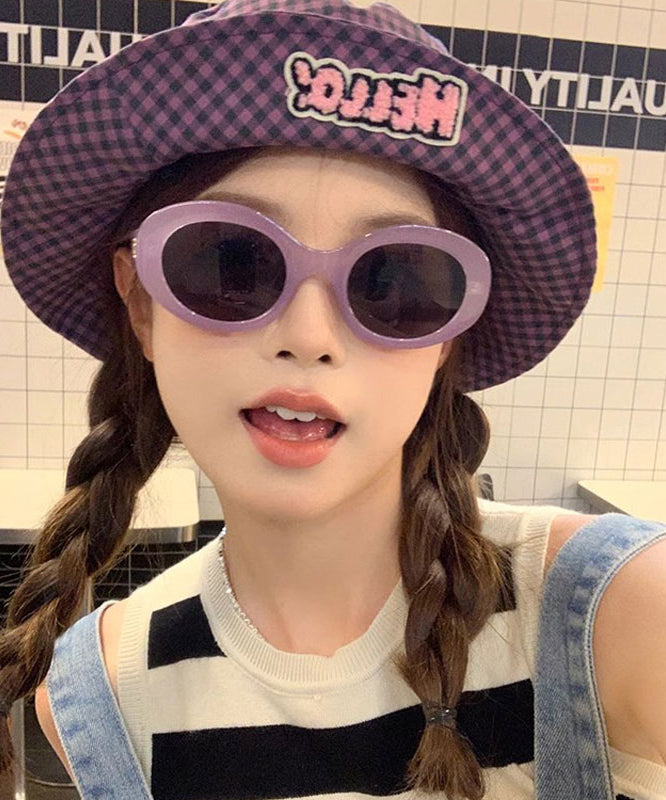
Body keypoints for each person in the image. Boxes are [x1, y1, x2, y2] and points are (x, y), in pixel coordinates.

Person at [0, 2, 664, 799]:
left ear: (446, 340)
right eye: (230, 261)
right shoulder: (101, 697)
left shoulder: (620, 613)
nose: (309, 335)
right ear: (141, 303)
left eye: (397, 279)